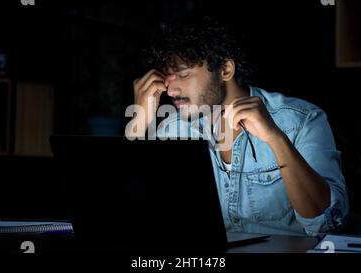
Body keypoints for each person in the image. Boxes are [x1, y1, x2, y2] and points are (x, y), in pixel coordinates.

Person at [126, 17, 348, 236]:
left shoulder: (302, 120)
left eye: (183, 74)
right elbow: (135, 219)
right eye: (168, 79)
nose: (171, 91)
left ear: (225, 70)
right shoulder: (172, 130)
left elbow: (327, 222)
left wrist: (275, 139)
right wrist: (138, 126)